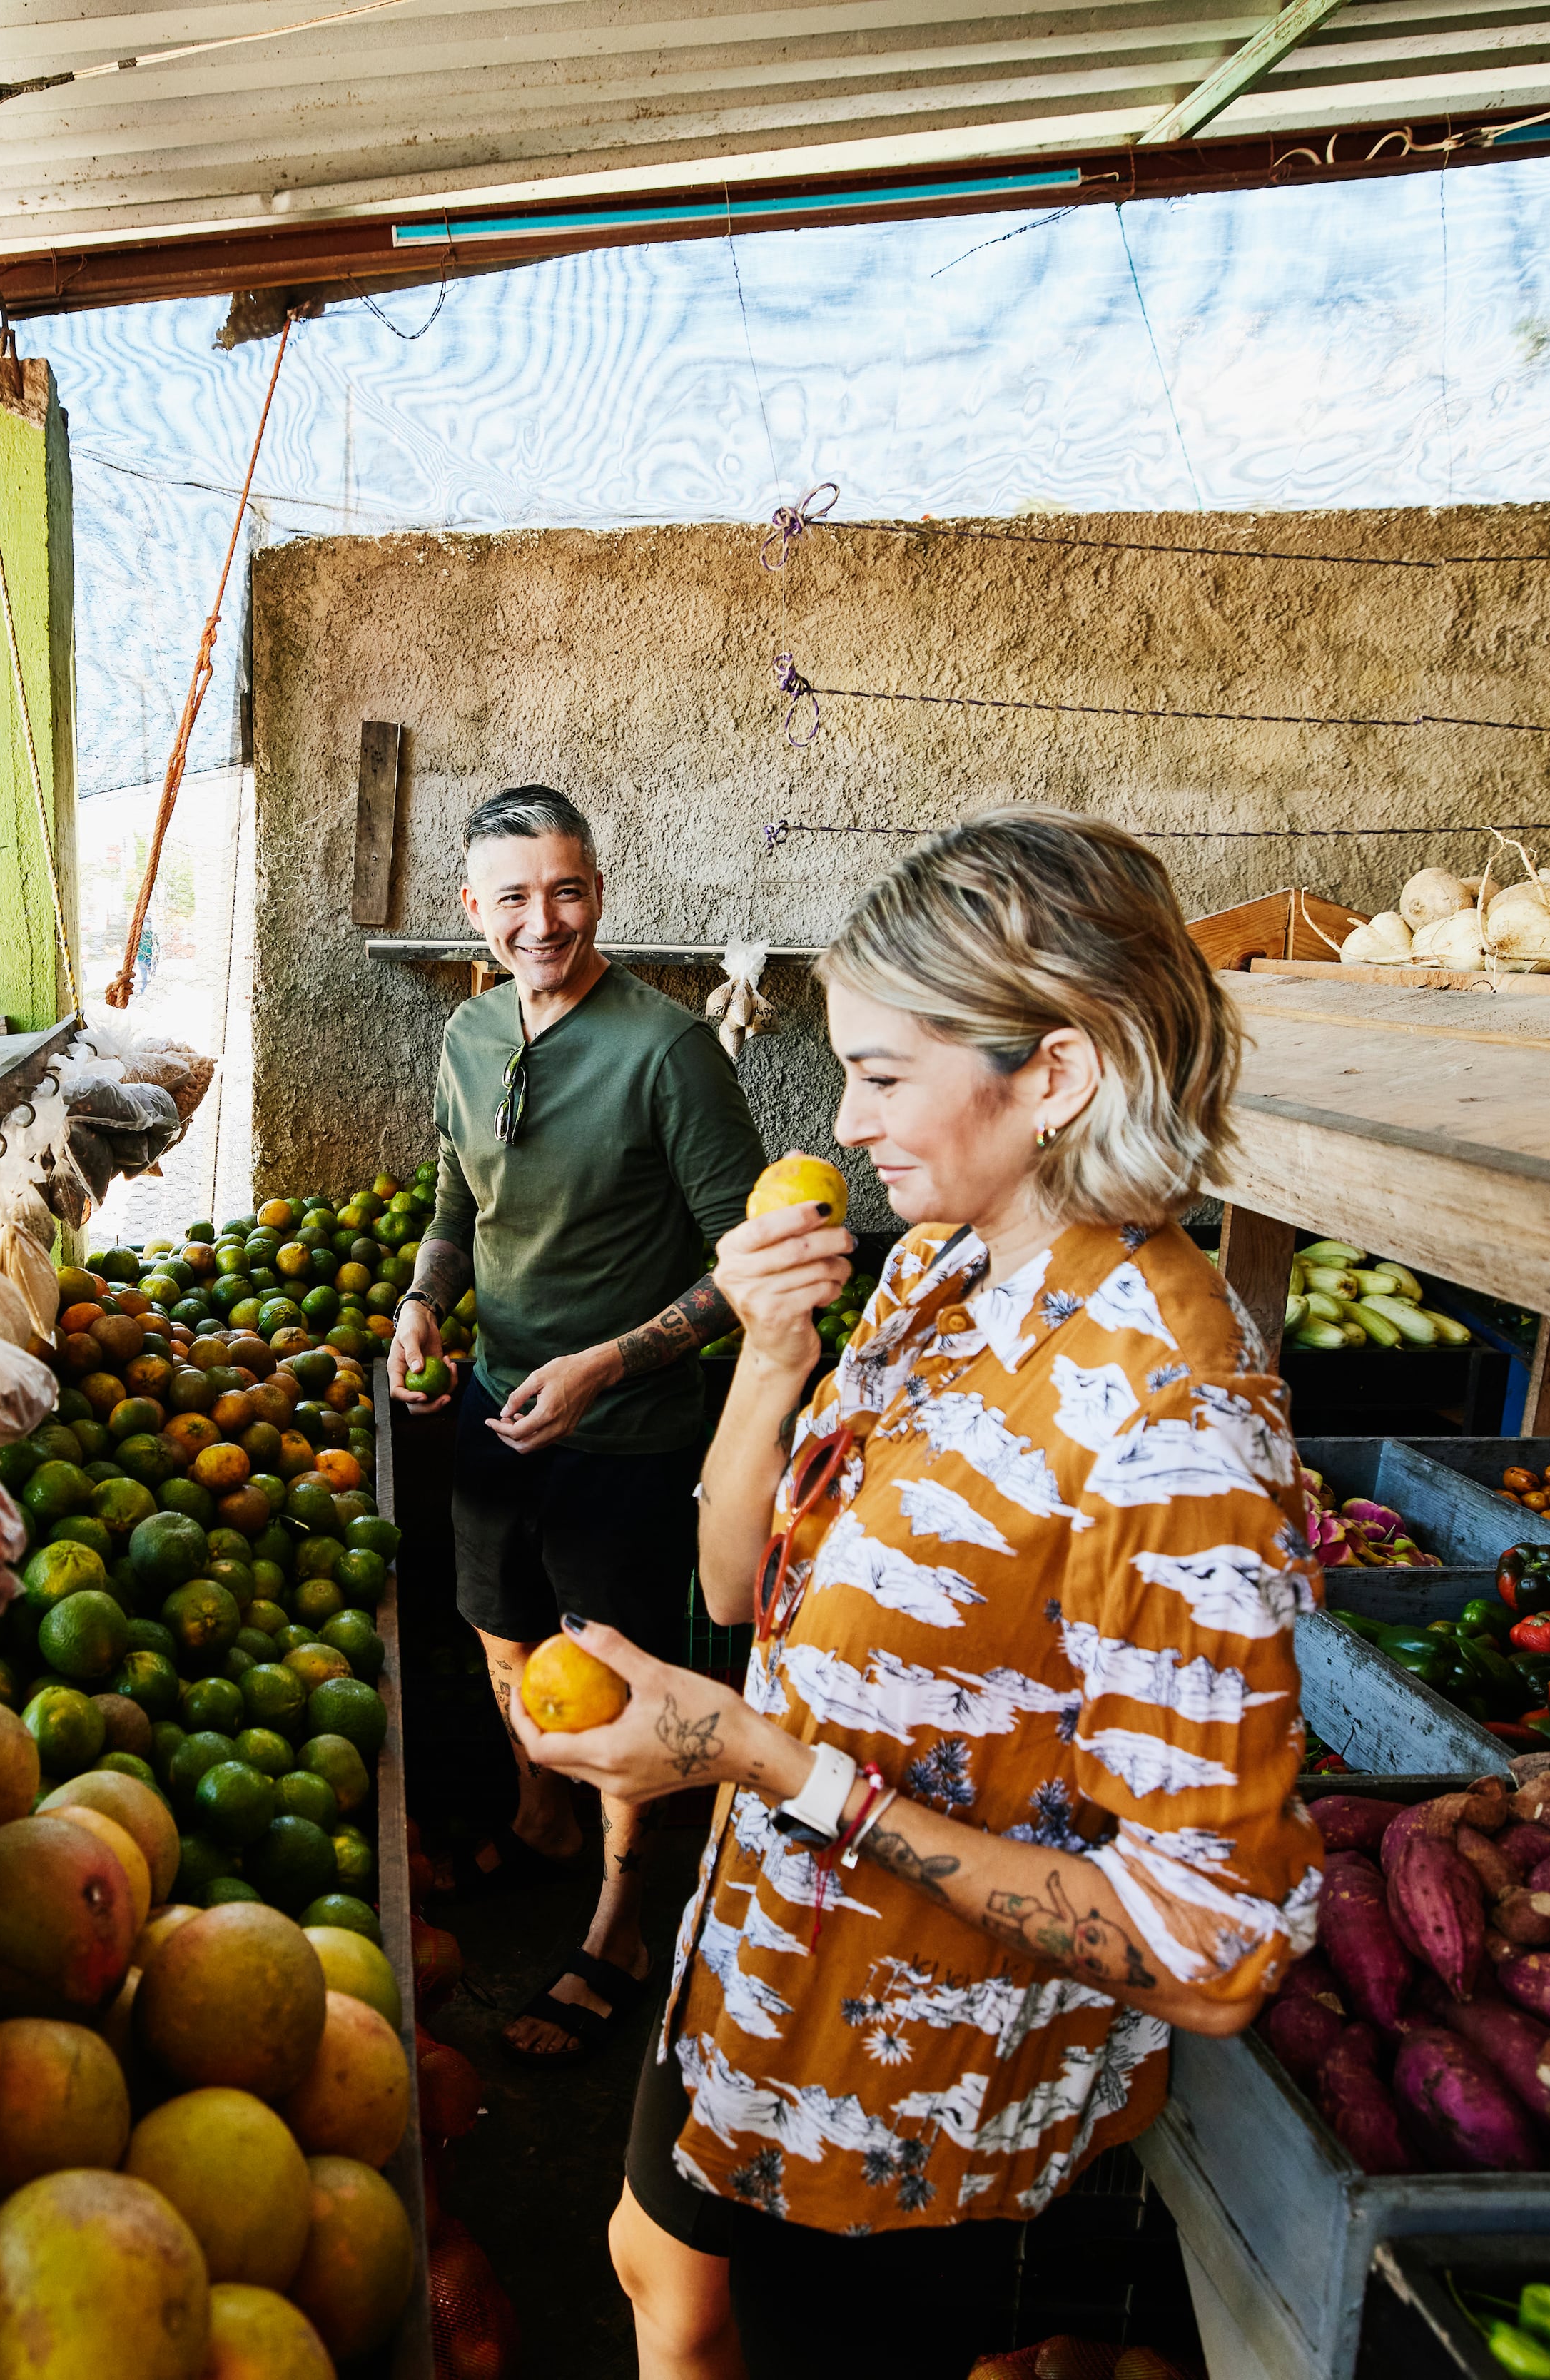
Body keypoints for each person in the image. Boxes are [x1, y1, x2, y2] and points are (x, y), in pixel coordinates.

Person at [513, 809, 1324, 2378]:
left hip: (909, 2100)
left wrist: (760, 1762)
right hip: (759, 1967)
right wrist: (769, 1356)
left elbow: (1208, 1950)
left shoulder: (1173, 1422)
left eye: (883, 1076)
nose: (843, 1119)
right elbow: (738, 1588)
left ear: (1057, 1073)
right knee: (658, 2276)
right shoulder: (943, 1273)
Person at [387, 784, 769, 2062]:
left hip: (627, 1434)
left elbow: (749, 1267)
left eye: (565, 891)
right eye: (514, 898)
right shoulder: (468, 1035)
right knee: (502, 1638)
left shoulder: (669, 1053)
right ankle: (541, 1822)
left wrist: (609, 1365)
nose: (542, 922)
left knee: (615, 1683)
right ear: (473, 909)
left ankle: (620, 1926)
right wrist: (424, 1303)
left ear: (598, 891)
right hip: (495, 1405)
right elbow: (458, 1202)